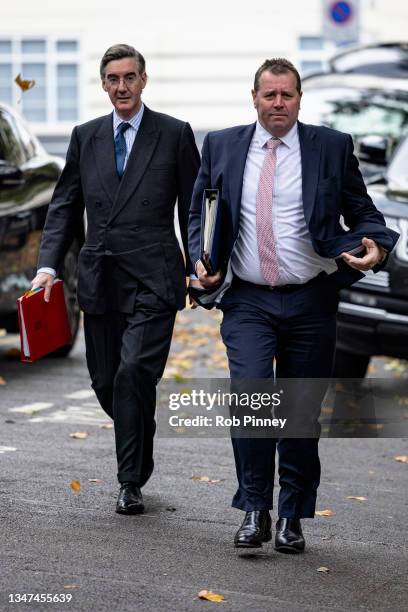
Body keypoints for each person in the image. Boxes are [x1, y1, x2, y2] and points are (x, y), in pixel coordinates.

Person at [188, 58, 398, 551]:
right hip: (247, 300)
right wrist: (202, 258)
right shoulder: (221, 145)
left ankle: (292, 515)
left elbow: (363, 212)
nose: (278, 103)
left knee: (300, 412)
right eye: (270, 95)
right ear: (254, 98)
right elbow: (202, 210)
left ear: (299, 99)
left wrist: (378, 245)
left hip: (312, 300)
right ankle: (255, 508)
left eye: (287, 95)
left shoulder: (330, 146)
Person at [32, 44, 200, 515]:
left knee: (132, 374)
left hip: (155, 276)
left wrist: (199, 264)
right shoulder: (85, 136)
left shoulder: (174, 134)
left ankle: (129, 481)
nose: (121, 86)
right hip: (101, 276)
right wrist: (47, 266)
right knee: (106, 383)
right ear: (103, 84)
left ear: (144, 80)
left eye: (129, 77)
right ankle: (137, 427)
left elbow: (193, 208)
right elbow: (64, 205)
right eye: (113, 79)